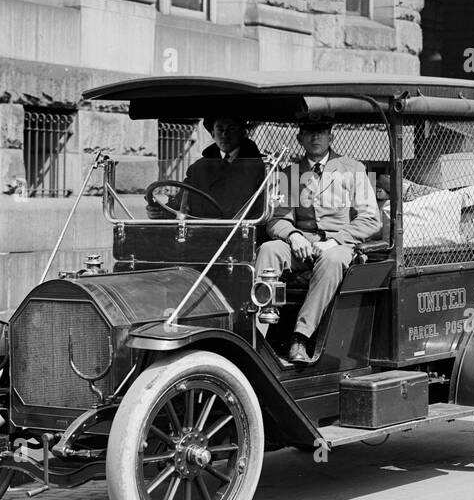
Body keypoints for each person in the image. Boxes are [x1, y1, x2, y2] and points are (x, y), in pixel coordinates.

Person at [255, 117, 381, 363]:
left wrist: (336, 240)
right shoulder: (289, 173)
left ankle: (300, 337)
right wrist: (293, 235)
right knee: (269, 249)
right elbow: (276, 220)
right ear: (299, 138)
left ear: (331, 137)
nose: (315, 138)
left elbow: (371, 220)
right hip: (301, 244)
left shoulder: (353, 169)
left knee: (333, 259)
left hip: (340, 244)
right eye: (309, 133)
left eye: (321, 132)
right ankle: (255, 335)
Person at [147, 117, 265, 220]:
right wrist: (161, 211)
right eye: (219, 129)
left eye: (231, 128)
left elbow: (261, 211)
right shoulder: (198, 168)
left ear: (242, 133)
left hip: (239, 234)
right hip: (200, 235)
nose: (225, 134)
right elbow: (181, 203)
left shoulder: (258, 167)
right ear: (213, 134)